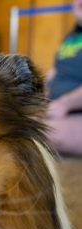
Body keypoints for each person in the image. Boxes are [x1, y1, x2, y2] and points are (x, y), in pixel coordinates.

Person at [46, 0, 82, 156]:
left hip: (74, 112)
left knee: (39, 134)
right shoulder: (71, 35)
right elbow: (54, 71)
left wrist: (65, 104)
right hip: (55, 108)